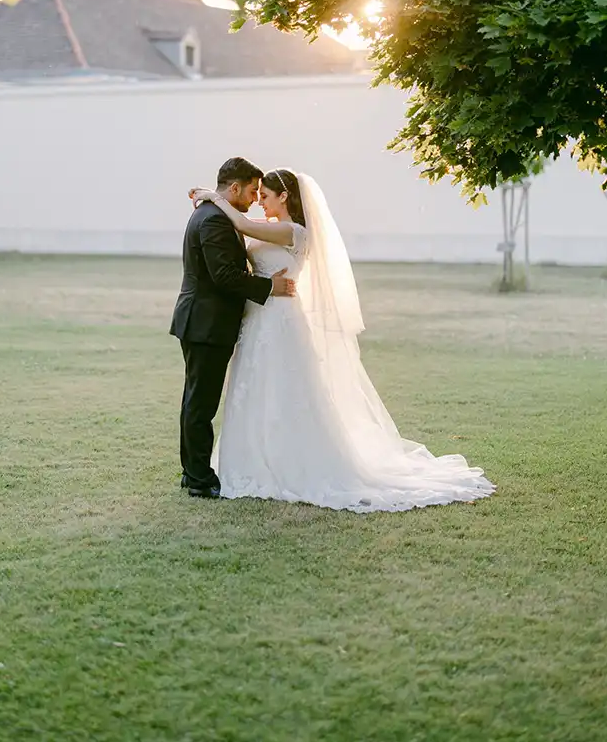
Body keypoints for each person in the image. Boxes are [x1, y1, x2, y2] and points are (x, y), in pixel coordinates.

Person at [189, 170, 496, 512]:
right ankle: (250, 461)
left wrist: (214, 198)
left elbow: (244, 227)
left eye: (265, 195)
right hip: (258, 319)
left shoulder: (294, 232)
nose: (259, 201)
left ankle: (293, 464)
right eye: (257, 195)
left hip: (282, 320)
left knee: (287, 391)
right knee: (255, 390)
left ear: (284, 197)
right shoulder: (272, 228)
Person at [170, 157, 296, 498]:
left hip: (206, 322)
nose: (256, 197)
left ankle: (191, 472)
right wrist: (269, 287)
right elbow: (224, 276)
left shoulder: (216, 214)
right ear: (235, 188)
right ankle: (197, 479)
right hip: (205, 323)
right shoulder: (212, 220)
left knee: (198, 401)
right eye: (253, 190)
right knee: (201, 404)